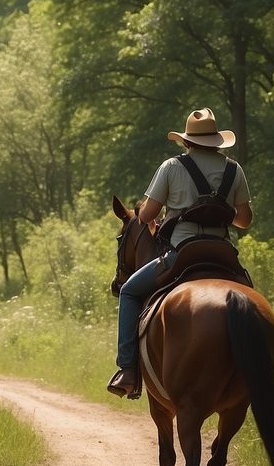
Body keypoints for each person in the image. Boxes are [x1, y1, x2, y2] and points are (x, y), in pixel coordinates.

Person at [107, 108, 253, 398]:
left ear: (186, 142)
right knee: (251, 300)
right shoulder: (234, 169)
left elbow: (148, 214)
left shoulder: (172, 167)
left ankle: (128, 370)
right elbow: (244, 220)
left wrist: (162, 212)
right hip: (223, 253)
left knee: (130, 293)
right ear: (215, 142)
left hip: (181, 253)